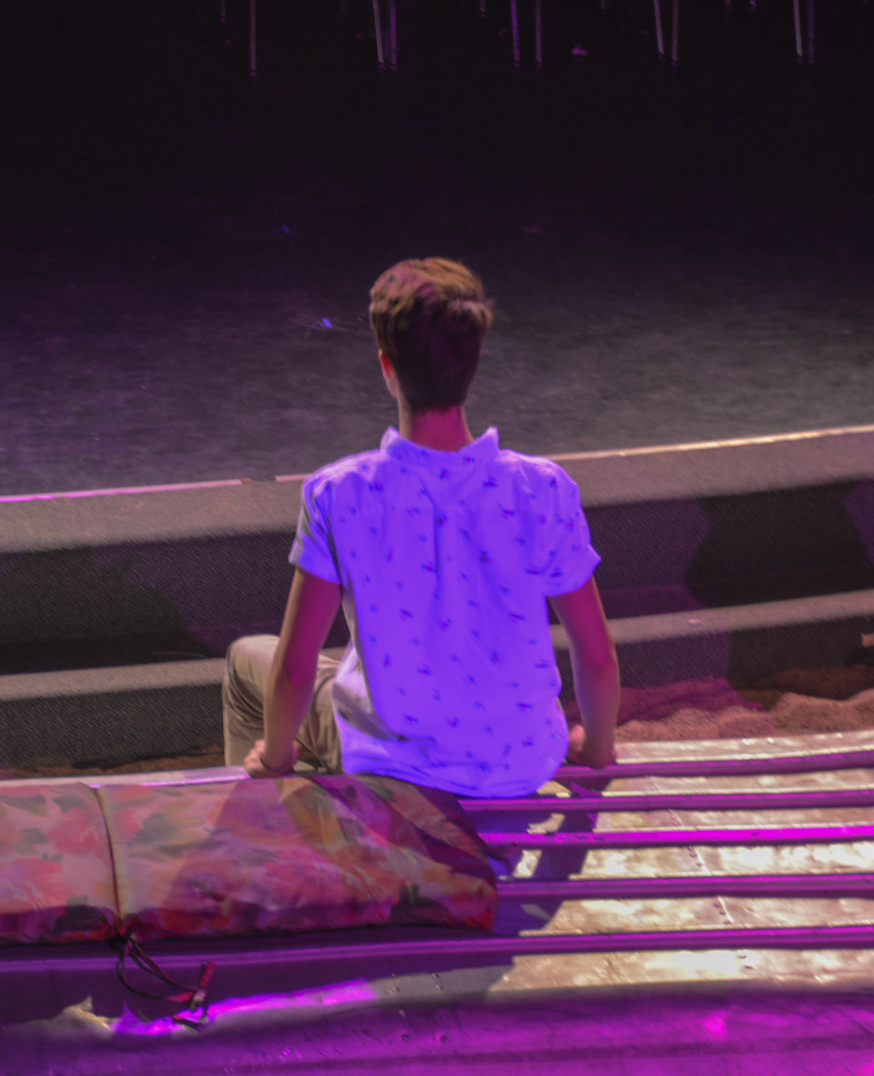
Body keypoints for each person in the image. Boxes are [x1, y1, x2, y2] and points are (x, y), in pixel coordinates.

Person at [223, 257, 622, 797]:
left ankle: (263, 813)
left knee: (248, 656)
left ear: (387, 366)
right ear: (473, 360)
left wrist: (275, 759)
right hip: (521, 763)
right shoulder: (541, 489)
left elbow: (294, 671)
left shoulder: (340, 494)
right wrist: (596, 748)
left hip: (396, 768)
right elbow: (596, 657)